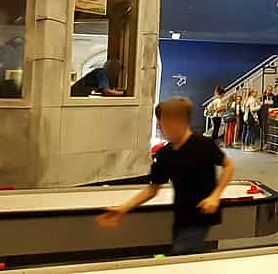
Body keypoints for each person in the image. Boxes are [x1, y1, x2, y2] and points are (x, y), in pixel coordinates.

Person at [97, 97, 235, 255]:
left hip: (201, 216)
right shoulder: (165, 154)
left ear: (179, 121)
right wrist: (124, 208)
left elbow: (229, 166)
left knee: (182, 254)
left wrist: (215, 196)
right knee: (183, 253)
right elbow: (152, 189)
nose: (159, 126)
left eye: (162, 121)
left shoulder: (203, 145)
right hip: (182, 216)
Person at [259, 86, 275, 151]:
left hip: (270, 115)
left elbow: (276, 104)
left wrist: (272, 103)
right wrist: (263, 103)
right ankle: (264, 143)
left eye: (271, 90)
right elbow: (260, 104)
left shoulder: (274, 96)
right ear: (266, 90)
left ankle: (271, 144)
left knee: (270, 130)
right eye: (269, 90)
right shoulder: (263, 96)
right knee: (264, 129)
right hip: (263, 115)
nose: (269, 91)